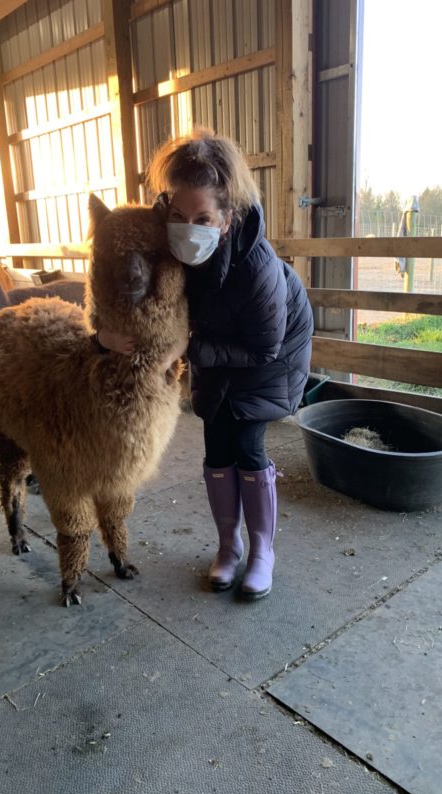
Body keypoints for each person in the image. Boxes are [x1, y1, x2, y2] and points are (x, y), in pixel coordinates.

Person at [98, 128, 313, 600]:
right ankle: (228, 547)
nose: (187, 227)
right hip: (212, 346)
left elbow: (264, 348)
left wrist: (186, 348)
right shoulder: (168, 246)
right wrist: (102, 335)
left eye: (202, 217)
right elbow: (125, 286)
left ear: (228, 218)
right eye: (178, 214)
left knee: (247, 444)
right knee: (216, 445)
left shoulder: (257, 269)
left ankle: (261, 551)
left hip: (269, 358)